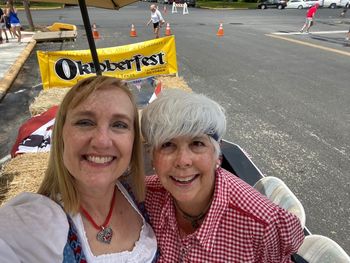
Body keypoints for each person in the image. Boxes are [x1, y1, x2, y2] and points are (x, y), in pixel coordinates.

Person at [0, 76, 158, 262]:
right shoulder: (37, 223)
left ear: (133, 141)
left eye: (119, 125)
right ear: (61, 135)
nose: (102, 141)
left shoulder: (145, 196)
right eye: (85, 122)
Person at [141, 89, 305, 262]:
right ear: (152, 158)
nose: (183, 161)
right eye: (167, 145)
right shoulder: (145, 196)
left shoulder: (262, 225)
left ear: (217, 155)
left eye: (197, 143)